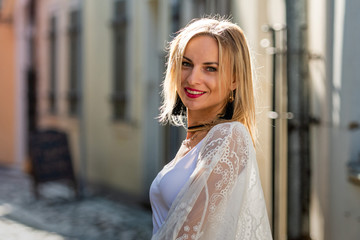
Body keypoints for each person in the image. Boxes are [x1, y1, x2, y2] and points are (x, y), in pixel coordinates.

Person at [149, 17, 272, 240]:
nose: (193, 78)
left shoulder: (230, 136)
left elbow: (187, 234)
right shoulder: (194, 142)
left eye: (210, 69)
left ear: (235, 79)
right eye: (186, 64)